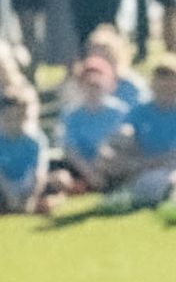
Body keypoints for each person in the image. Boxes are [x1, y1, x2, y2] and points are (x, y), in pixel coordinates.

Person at [110, 57, 176, 209]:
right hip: (146, 170)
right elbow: (120, 135)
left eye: (171, 87)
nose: (166, 92)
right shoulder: (140, 110)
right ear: (152, 86)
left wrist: (142, 165)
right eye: (162, 87)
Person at [54, 56, 131, 193]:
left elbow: (125, 142)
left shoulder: (119, 111)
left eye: (97, 84)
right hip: (80, 166)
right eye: (88, 84)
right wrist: (89, 172)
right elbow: (70, 148)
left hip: (110, 164)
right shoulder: (71, 114)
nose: (93, 89)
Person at [0, 89, 49, 214]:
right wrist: (10, 196)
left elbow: (39, 172)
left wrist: (31, 197)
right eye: (7, 118)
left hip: (30, 184)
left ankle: (36, 203)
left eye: (17, 117)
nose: (13, 122)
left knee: (58, 181)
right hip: (4, 185)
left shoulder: (35, 139)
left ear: (24, 116)